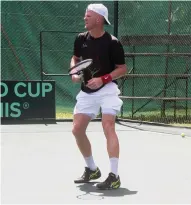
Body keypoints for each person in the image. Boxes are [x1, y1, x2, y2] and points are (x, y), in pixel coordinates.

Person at [70, 3, 127, 190]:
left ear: (99, 19)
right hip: (87, 91)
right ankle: (92, 169)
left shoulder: (112, 42)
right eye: (85, 15)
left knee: (108, 125)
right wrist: (74, 72)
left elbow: (122, 69)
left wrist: (103, 79)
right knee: (77, 130)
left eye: (88, 15)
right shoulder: (80, 39)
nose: (84, 18)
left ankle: (114, 175)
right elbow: (76, 59)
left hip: (107, 88)